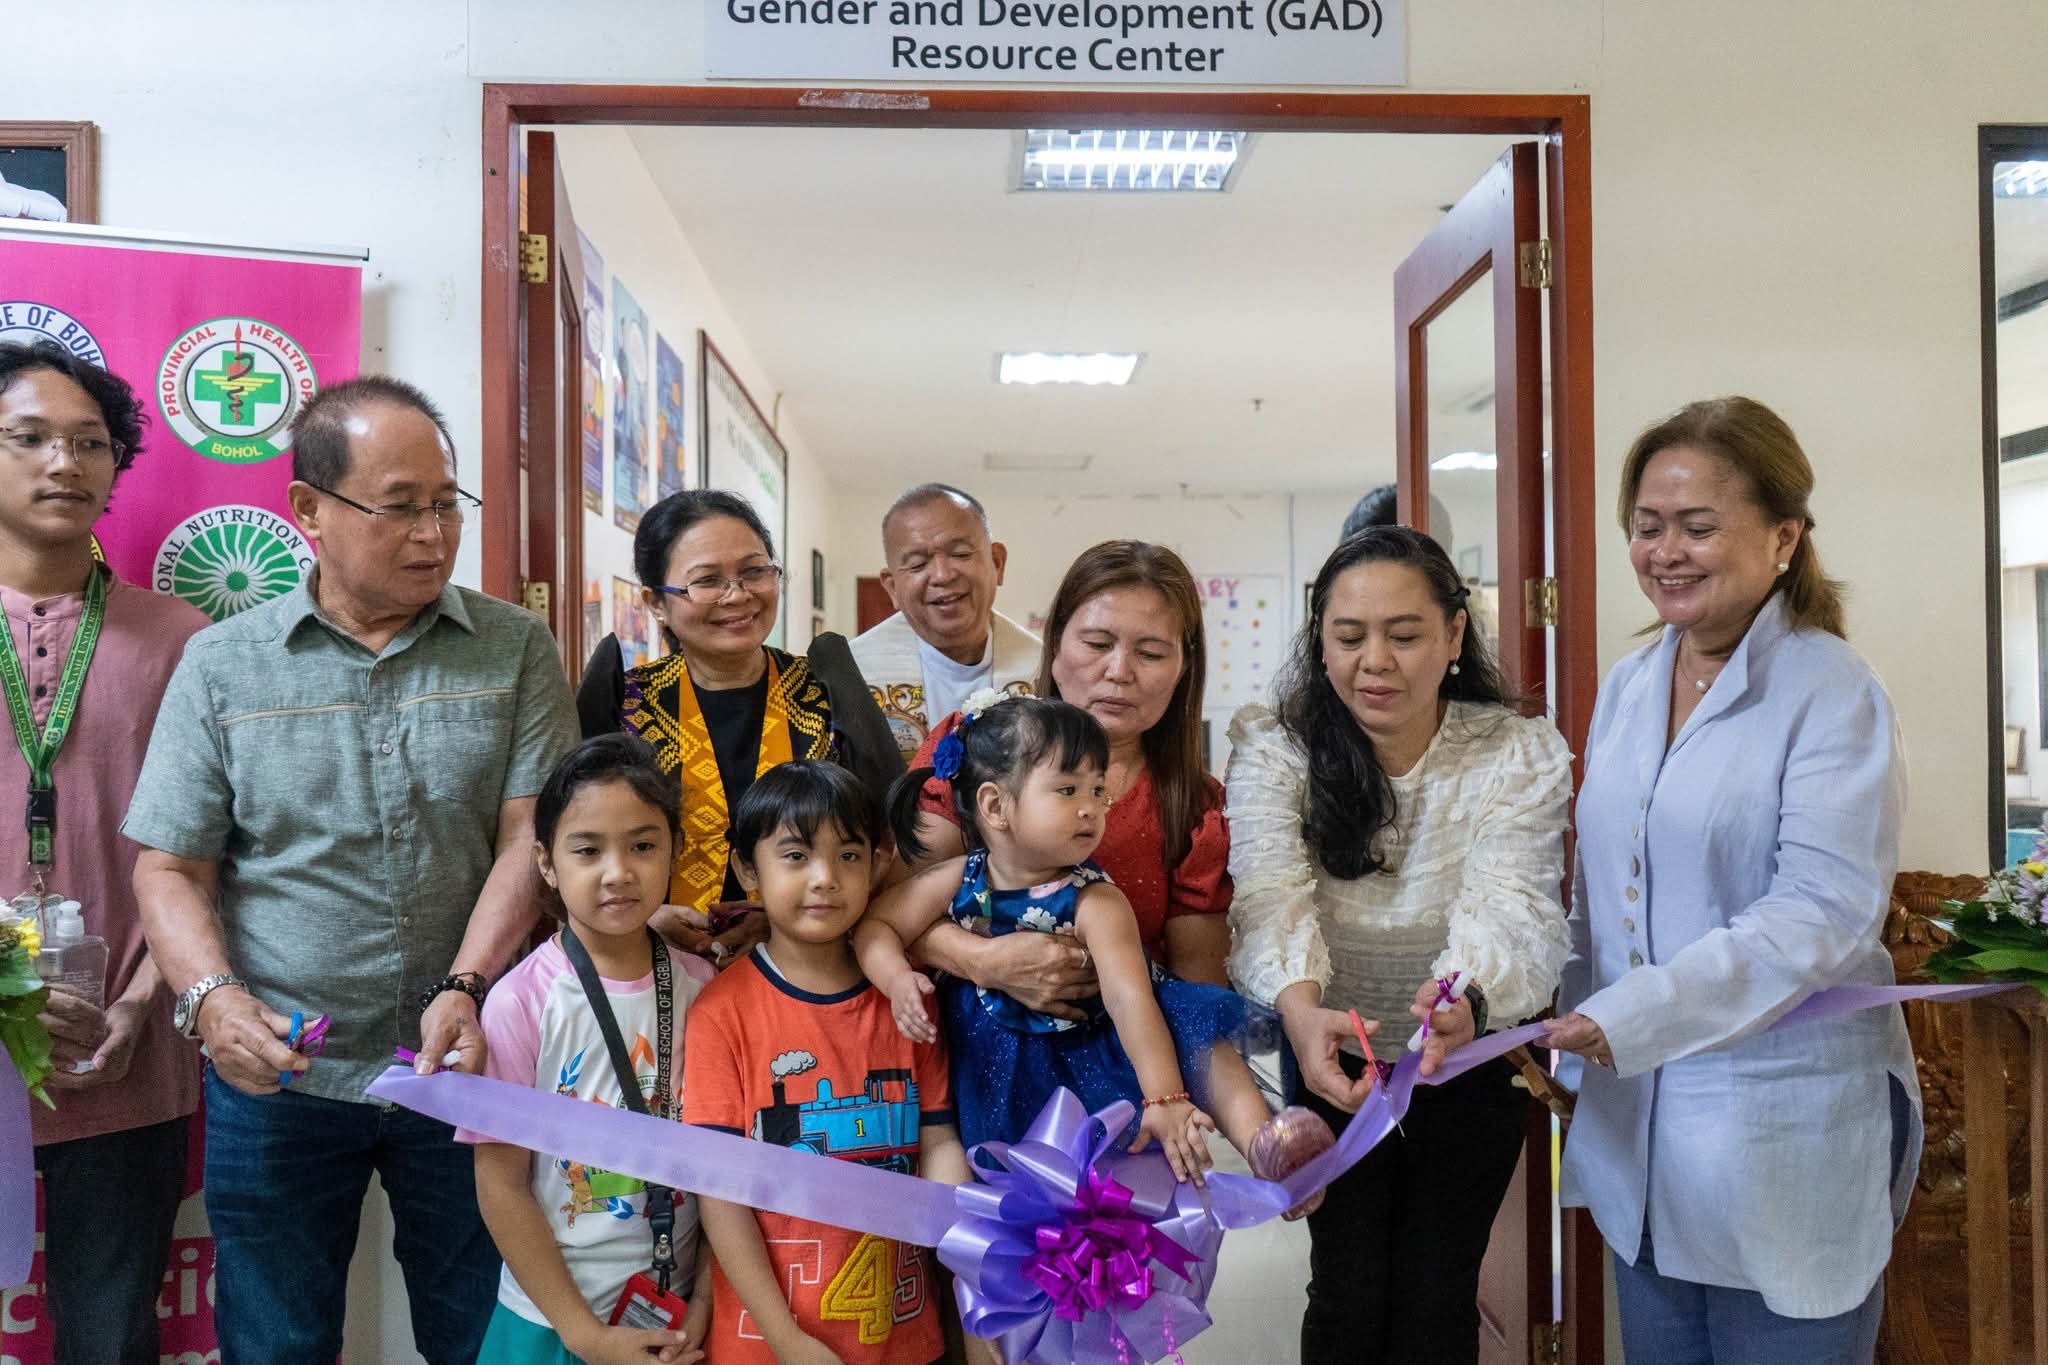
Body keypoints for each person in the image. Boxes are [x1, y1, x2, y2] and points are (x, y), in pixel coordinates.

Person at [125, 375, 579, 1363]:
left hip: (466, 1068)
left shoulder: (513, 648)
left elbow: (528, 839)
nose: (433, 533)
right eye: (400, 506)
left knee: (481, 1338)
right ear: (308, 511)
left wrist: (467, 983)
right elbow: (169, 867)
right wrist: (209, 998)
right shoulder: (224, 663)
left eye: (445, 504)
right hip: (280, 1077)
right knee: (278, 1346)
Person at [1543, 397, 1917, 1364]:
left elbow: (1822, 916)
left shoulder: (1832, 692)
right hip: (1645, 1137)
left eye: (1699, 527)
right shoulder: (1631, 683)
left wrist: (1630, 1017)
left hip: (1779, 1134)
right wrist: (1541, 1022)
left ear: (1784, 536)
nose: (1667, 550)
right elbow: (1603, 886)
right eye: (1648, 526)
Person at [1225, 524, 1572, 1363]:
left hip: (1462, 1057)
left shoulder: (1514, 752)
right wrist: (1303, 1015)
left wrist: (1465, 997)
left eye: (1404, 634)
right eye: (1348, 637)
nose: (1374, 660)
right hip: (1333, 1057)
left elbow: (1513, 903)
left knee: (1436, 1288)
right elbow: (1270, 898)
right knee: (1346, 1284)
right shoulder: (1279, 750)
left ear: (1455, 634)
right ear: (1322, 641)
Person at [857, 694, 1322, 1199]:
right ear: (994, 806)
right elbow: (877, 924)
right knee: (1025, 1195)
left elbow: (1130, 999)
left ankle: (1266, 1145)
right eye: (1066, 788)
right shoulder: (958, 877)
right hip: (994, 1054)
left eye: (1097, 789)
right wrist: (897, 978)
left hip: (1099, 1045)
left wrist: (1163, 1097)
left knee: (1193, 1020)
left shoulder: (1095, 900)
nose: (1090, 807)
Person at [0, 342, 209, 1365]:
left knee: (112, 1336)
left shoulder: (181, 639)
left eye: (90, 443)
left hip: (130, 1043)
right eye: (30, 438)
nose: (63, 463)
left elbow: (216, 851)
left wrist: (141, 1001)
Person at [683, 760, 974, 1365]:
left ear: (878, 863)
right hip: (767, 1344)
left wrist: (977, 1259)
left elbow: (939, 1142)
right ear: (747, 869)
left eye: (847, 855)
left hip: (902, 1334)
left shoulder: (909, 998)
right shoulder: (721, 1011)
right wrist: (786, 1340)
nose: (825, 879)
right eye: (795, 856)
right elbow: (720, 1192)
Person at [903, 541, 1231, 1025]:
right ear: (1055, 643)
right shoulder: (974, 744)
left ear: (1183, 668)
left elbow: (1198, 993)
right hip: (961, 1049)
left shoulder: (1194, 806)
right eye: (1097, 644)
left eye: (1151, 653)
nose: (1119, 672)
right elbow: (892, 911)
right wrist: (982, 960)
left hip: (1126, 1064)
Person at [576, 490, 900, 967]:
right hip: (650, 967)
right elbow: (576, 847)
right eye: (707, 580)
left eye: (754, 571)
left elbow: (883, 842)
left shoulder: (826, 694)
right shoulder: (622, 706)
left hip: (810, 965)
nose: (738, 595)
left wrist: (787, 916)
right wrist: (641, 917)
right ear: (655, 603)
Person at [467, 734, 711, 1365]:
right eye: (588, 849)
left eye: (642, 845)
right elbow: (501, 1186)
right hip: (552, 1326)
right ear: (547, 864)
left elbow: (726, 1172)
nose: (618, 871)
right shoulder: (519, 1003)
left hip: (677, 1320)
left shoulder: (705, 989)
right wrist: (583, 1334)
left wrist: (706, 1306)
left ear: (675, 850)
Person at [849, 483, 1039, 761]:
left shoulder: (1046, 669)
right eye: (917, 564)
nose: (942, 575)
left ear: (997, 563)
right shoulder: (851, 673)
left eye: (960, 554)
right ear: (892, 588)